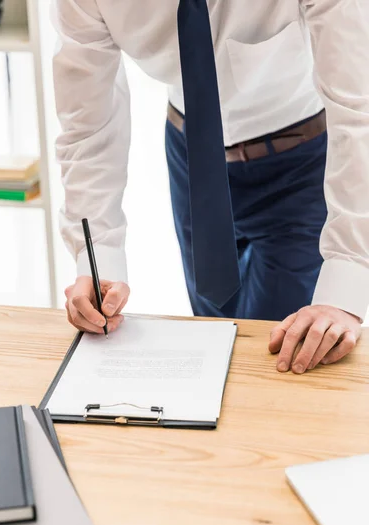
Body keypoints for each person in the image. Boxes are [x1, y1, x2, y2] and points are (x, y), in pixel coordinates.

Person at [51, 0, 369, 374]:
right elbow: (87, 127)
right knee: (213, 347)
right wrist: (97, 262)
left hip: (299, 162)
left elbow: (358, 108)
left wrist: (345, 287)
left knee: (281, 355)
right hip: (192, 157)